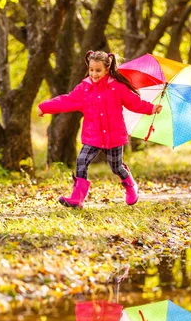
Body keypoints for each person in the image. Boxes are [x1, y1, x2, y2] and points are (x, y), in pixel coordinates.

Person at [37, 50, 163, 209]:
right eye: (91, 70)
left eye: (98, 70)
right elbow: (67, 101)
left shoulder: (117, 87)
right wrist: (45, 107)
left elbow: (134, 103)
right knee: (82, 161)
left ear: (107, 70)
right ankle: (77, 198)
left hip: (114, 135)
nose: (94, 74)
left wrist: (151, 108)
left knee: (116, 167)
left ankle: (130, 185)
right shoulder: (84, 88)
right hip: (93, 135)